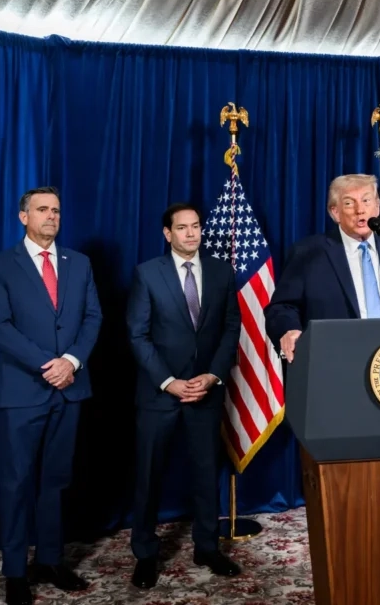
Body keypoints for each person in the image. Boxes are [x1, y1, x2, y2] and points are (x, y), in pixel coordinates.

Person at [0, 186, 103, 605]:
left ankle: (51, 560)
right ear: (23, 217)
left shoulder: (80, 263)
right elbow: (0, 327)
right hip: (23, 391)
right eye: (42, 210)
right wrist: (47, 366)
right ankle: (16, 571)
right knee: (16, 484)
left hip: (70, 389)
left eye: (56, 210)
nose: (51, 216)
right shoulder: (0, 266)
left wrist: (71, 360)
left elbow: (93, 317)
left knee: (57, 482)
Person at [125, 203, 242, 589]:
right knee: (148, 475)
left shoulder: (222, 272)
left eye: (196, 227)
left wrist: (212, 375)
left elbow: (230, 329)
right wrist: (168, 381)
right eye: (183, 228)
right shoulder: (147, 273)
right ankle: (145, 553)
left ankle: (207, 547)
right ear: (167, 233)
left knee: (206, 474)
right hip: (160, 394)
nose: (191, 234)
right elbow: (137, 336)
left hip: (205, 391)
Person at [264, 173, 380, 360]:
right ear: (335, 212)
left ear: (377, 207)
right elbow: (282, 307)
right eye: (349, 203)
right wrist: (289, 330)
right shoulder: (308, 253)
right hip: (333, 360)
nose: (360, 210)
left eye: (367, 201)